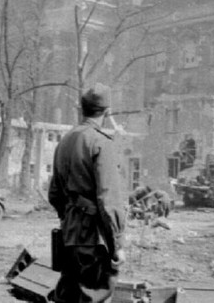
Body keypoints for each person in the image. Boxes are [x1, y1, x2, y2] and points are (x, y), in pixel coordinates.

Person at [49, 85, 125, 303]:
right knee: (93, 294)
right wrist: (117, 244)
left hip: (69, 235)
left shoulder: (64, 141)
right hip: (93, 237)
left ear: (81, 109)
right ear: (107, 112)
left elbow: (54, 194)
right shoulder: (101, 142)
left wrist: (70, 218)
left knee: (68, 296)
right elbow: (108, 200)